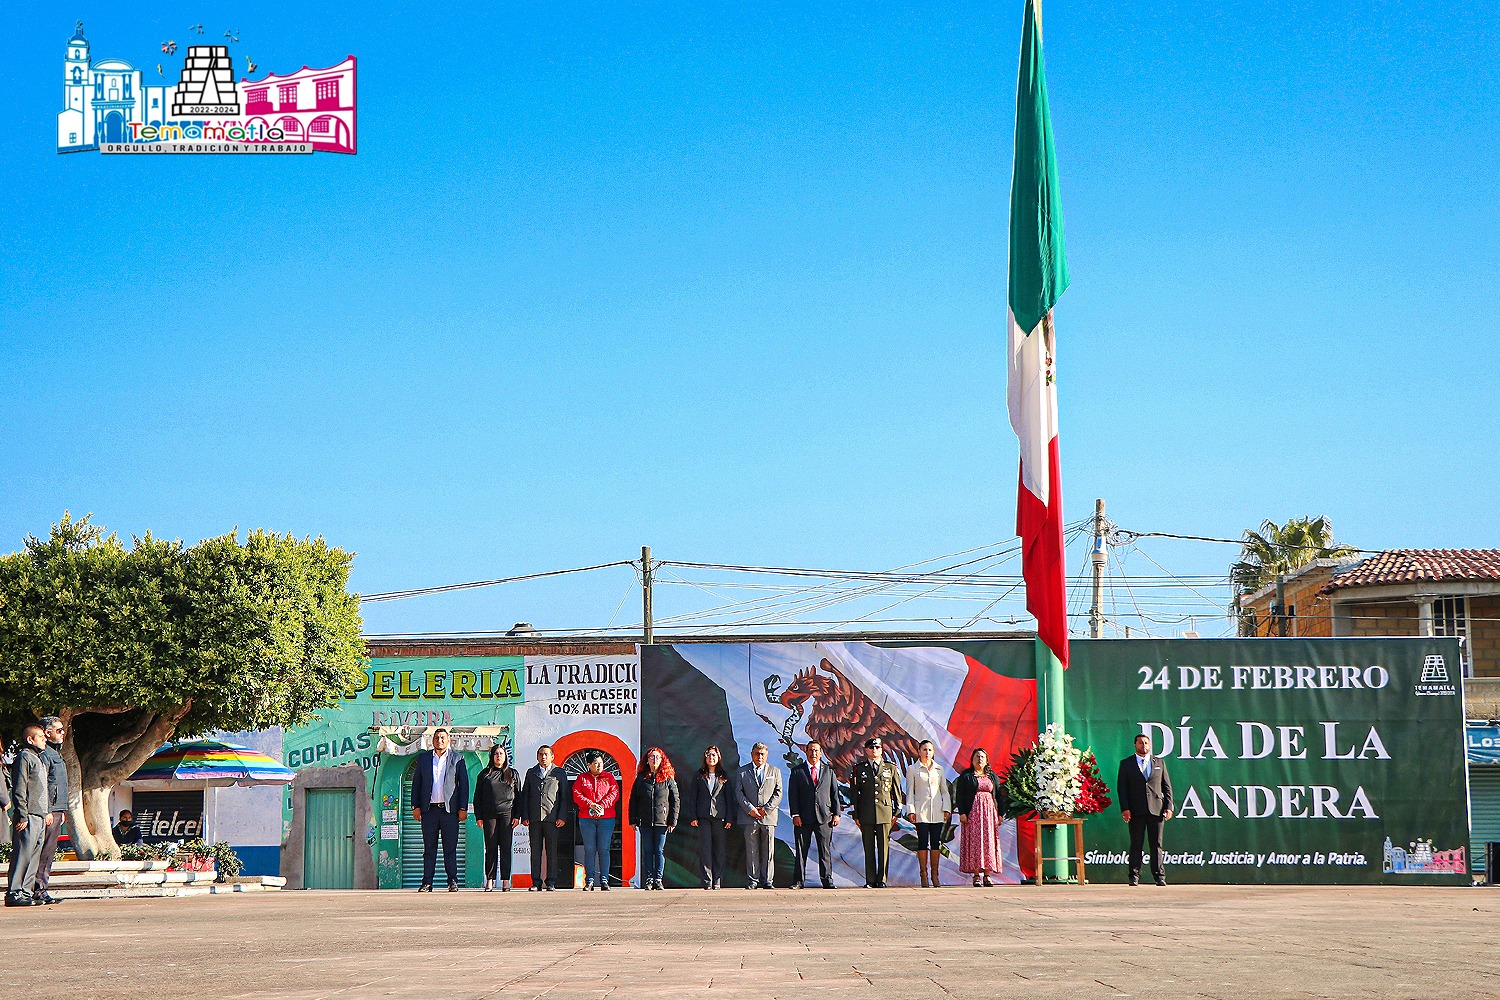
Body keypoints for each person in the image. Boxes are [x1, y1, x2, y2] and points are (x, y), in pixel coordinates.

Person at [409, 728, 469, 892]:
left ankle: (452, 881)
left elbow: (463, 785)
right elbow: (416, 785)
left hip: (449, 812)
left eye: (443, 737)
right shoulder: (423, 759)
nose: (439, 740)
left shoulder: (457, 759)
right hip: (429, 812)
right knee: (429, 849)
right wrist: (415, 806)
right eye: (436, 737)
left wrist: (463, 808)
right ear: (432, 740)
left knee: (450, 849)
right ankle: (427, 882)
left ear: (448, 740)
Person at [1116, 733, 1174, 886]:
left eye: (1146, 743)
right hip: (1136, 811)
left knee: (1156, 844)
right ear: (1135, 745)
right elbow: (1122, 789)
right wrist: (1125, 809)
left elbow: (1166, 787)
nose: (1144, 746)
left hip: (1156, 809)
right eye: (1141, 743)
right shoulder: (1126, 764)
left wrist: (1169, 807)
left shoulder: (1159, 763)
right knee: (1136, 843)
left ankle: (1159, 876)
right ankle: (1134, 876)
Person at [849, 736, 903, 888]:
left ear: (882, 749)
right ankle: (870, 880)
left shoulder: (890, 768)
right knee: (869, 847)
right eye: (871, 748)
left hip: (885, 813)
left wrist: (896, 812)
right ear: (866, 750)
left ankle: (882, 880)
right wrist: (856, 814)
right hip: (866, 813)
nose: (875, 750)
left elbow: (897, 792)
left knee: (883, 847)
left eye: (877, 748)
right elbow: (855, 794)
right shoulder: (859, 769)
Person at [6, 725, 50, 907]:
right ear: (30, 739)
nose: (44, 739)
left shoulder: (39, 759)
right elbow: (19, 788)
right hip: (29, 815)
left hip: (40, 815)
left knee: (34, 856)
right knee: (23, 853)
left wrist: (46, 813)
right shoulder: (24, 757)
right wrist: (22, 815)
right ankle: (14, 892)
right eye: (40, 736)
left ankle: (26, 891)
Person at [788, 739, 841, 889]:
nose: (813, 753)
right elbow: (793, 795)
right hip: (803, 818)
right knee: (801, 851)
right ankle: (798, 881)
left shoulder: (829, 771)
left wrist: (836, 814)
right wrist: (795, 814)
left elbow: (834, 794)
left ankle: (827, 881)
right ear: (806, 752)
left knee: (825, 851)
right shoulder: (797, 771)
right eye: (811, 750)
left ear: (821, 753)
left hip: (824, 817)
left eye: (816, 750)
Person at [629, 746, 679, 890]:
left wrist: (672, 820)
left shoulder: (668, 778)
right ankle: (649, 879)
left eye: (657, 757)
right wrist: (632, 819)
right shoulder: (641, 778)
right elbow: (634, 799)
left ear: (662, 760)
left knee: (658, 850)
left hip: (662, 822)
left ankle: (658, 879)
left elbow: (675, 800)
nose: (655, 760)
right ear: (647, 760)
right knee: (647, 850)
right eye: (652, 757)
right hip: (644, 821)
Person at [472, 744, 520, 891]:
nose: (499, 756)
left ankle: (506, 881)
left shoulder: (513, 774)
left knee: (505, 848)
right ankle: (490, 881)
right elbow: (477, 797)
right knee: (491, 848)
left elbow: (519, 796)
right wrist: (479, 816)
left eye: (501, 753)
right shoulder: (484, 774)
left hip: (507, 814)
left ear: (505, 756)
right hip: (489, 815)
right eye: (496, 754)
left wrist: (517, 815)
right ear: (492, 756)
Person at [735, 742, 783, 889]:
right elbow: (739, 792)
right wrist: (750, 809)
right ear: (752, 755)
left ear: (767, 755)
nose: (760, 756)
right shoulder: (742, 771)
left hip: (768, 817)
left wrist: (766, 809)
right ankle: (753, 880)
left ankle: (768, 880)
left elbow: (778, 793)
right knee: (751, 850)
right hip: (749, 816)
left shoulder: (775, 772)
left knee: (768, 850)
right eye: (757, 753)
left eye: (762, 754)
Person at [520, 745, 569, 891]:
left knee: (551, 850)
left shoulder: (559, 773)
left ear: (552, 757)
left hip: (552, 818)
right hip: (534, 818)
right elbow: (525, 796)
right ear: (537, 756)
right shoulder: (531, 773)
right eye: (541, 754)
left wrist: (562, 816)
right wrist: (525, 816)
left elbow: (564, 797)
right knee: (535, 851)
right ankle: (536, 881)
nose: (544, 757)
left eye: (546, 754)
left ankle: (551, 881)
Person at [954, 747, 1005, 886]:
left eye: (982, 757)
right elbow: (960, 796)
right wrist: (962, 813)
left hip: (989, 814)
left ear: (987, 760)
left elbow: (999, 795)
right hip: (973, 813)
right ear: (972, 759)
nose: (980, 759)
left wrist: (1000, 814)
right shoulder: (966, 775)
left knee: (988, 841)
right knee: (976, 842)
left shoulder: (992, 776)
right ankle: (976, 875)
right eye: (977, 756)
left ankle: (987, 875)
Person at [905, 739, 952, 887]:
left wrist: (946, 808)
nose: (927, 753)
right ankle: (923, 874)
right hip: (921, 812)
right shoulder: (913, 769)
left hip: (937, 811)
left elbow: (944, 791)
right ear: (919, 752)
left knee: (936, 843)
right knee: (923, 842)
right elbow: (910, 792)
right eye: (924, 750)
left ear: (933, 752)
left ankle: (935, 875)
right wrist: (911, 810)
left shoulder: (939, 769)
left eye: (930, 750)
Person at [686, 746, 733, 889]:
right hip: (703, 817)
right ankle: (707, 881)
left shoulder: (724, 776)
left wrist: (729, 818)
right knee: (705, 849)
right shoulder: (698, 775)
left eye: (714, 755)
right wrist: (693, 816)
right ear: (705, 758)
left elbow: (729, 798)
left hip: (720, 817)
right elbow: (693, 797)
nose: (711, 758)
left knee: (719, 850)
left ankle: (717, 881)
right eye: (708, 755)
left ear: (718, 757)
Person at [33, 716, 69, 905]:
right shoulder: (45, 754)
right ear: (48, 732)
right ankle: (39, 889)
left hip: (57, 809)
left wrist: (61, 810)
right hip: (49, 810)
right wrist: (48, 809)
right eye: (59, 730)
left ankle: (42, 888)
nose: (63, 733)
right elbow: (44, 784)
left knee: (49, 851)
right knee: (45, 851)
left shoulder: (56, 753)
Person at [573, 752, 619, 890]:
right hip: (587, 819)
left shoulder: (609, 777)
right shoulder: (582, 778)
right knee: (589, 849)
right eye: (595, 763)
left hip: (606, 818)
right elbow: (576, 794)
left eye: (600, 763)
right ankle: (590, 880)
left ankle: (604, 880)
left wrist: (603, 804)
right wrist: (590, 804)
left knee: (604, 849)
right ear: (589, 765)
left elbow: (615, 793)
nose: (599, 766)